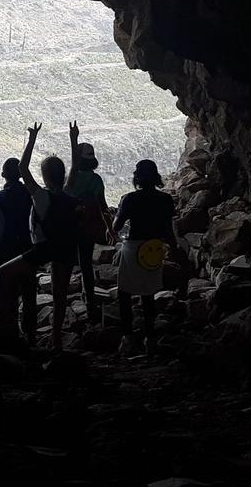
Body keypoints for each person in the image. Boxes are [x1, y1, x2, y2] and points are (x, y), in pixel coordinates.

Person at [0, 123, 80, 350]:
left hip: (44, 248)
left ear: (44, 175)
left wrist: (32, 139)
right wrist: (73, 139)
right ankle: (56, 338)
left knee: (3, 272)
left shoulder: (41, 196)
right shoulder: (67, 193)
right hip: (66, 248)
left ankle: (5, 317)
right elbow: (76, 167)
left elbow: (22, 168)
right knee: (60, 295)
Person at [111, 159, 177, 355]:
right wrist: (174, 248)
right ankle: (150, 338)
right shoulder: (165, 200)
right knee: (148, 294)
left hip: (133, 248)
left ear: (137, 178)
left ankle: (128, 338)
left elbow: (116, 226)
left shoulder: (130, 199)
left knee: (124, 293)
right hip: (154, 249)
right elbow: (167, 229)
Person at [65, 122, 112, 323]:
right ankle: (89, 297)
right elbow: (103, 207)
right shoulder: (96, 180)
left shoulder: (71, 178)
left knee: (65, 263)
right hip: (89, 228)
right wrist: (110, 229)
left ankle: (62, 297)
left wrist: (73, 139)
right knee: (85, 263)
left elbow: (74, 167)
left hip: (70, 227)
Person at [0, 156, 34, 334]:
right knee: (28, 295)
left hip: (6, 252)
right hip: (28, 249)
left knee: (5, 293)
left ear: (3, 175)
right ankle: (30, 333)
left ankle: (6, 329)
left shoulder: (1, 198)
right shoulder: (30, 194)